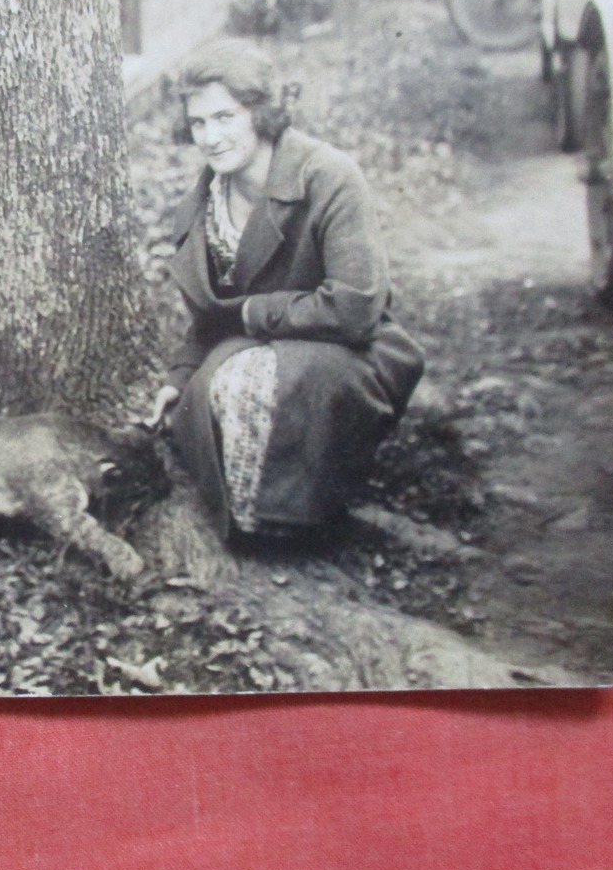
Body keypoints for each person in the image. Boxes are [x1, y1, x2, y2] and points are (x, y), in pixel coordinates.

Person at [145, 39, 424, 542]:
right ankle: (250, 519)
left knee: (251, 382)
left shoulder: (327, 177)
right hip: (253, 346)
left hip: (350, 350)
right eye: (199, 124)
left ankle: (286, 525)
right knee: (207, 391)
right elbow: (210, 318)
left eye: (226, 117)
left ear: (263, 113)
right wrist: (179, 375)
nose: (210, 137)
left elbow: (357, 306)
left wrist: (256, 312)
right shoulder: (203, 206)